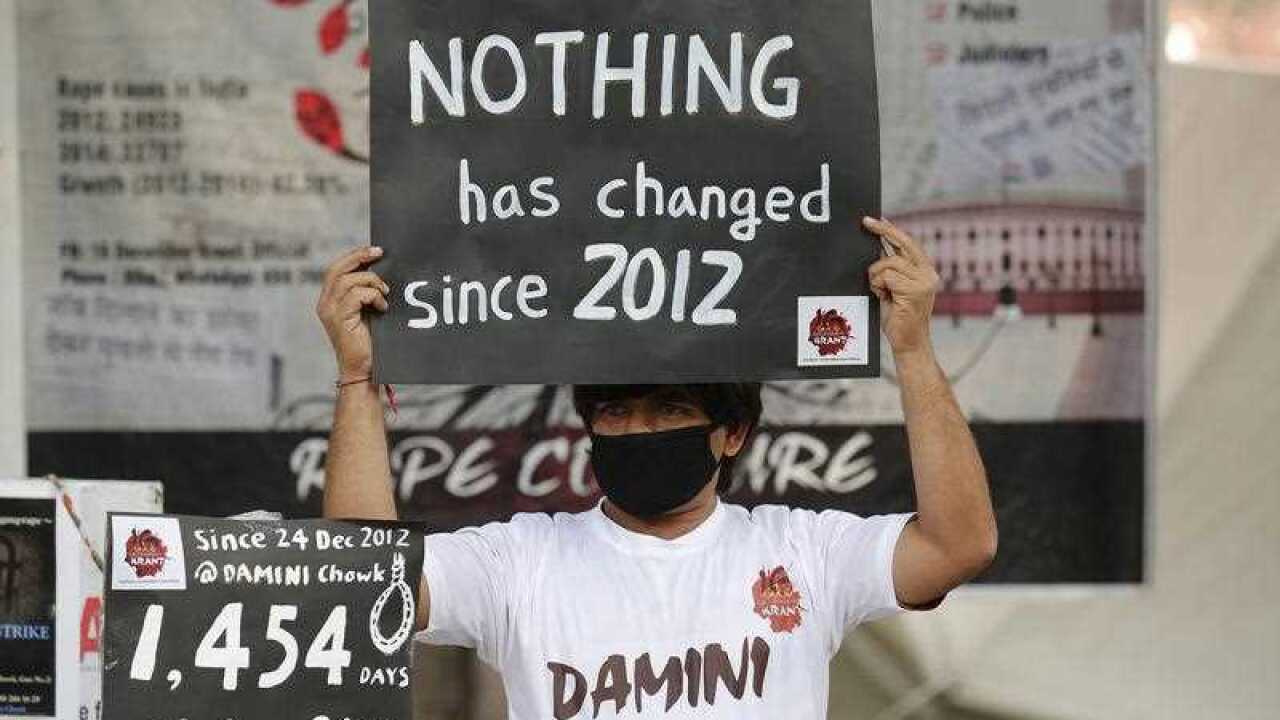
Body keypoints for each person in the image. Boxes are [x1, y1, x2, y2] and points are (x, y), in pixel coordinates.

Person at [316, 216, 997, 719]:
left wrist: (911, 351)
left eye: (669, 409)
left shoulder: (802, 551)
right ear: (587, 426)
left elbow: (957, 545)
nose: (638, 430)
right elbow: (363, 582)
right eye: (614, 412)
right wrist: (357, 382)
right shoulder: (521, 561)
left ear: (732, 434)